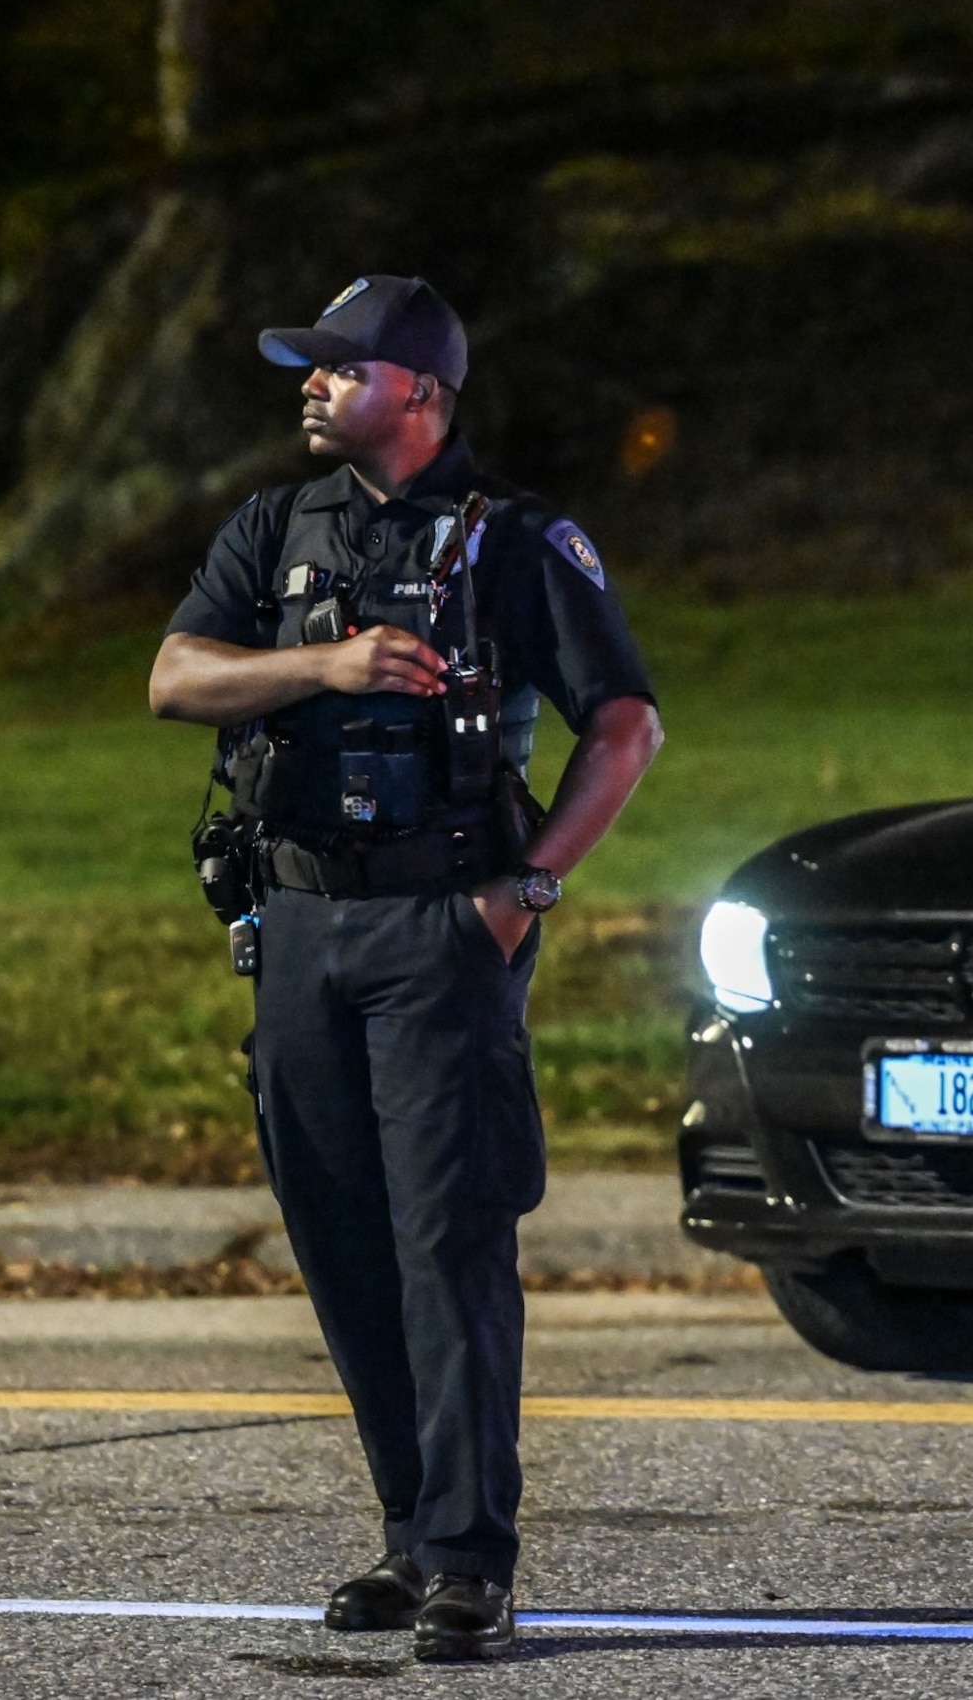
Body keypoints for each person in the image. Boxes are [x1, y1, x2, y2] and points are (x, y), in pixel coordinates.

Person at [148, 274, 663, 1661]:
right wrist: (321, 669)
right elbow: (176, 676)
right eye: (307, 369)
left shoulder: (516, 541)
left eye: (338, 369)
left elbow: (623, 727)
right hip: (299, 925)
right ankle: (405, 1535)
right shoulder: (278, 526)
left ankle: (470, 1560)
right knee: (344, 1243)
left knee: (449, 1247)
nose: (309, 386)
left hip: (441, 928)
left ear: (421, 396)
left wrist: (524, 890)